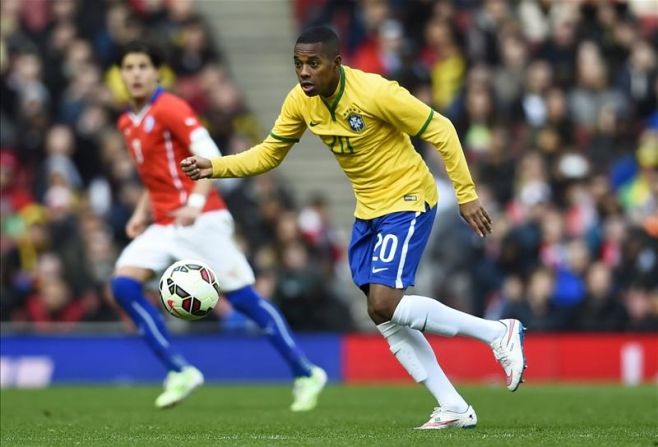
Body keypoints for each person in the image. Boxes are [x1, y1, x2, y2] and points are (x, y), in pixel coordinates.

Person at [181, 26, 527, 429]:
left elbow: (442, 129)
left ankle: (497, 332)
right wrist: (215, 166)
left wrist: (466, 194)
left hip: (408, 198)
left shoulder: (376, 92)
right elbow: (270, 154)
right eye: (298, 63)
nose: (304, 72)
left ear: (336, 63)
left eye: (313, 63)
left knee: (385, 302)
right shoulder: (300, 102)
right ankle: (452, 406)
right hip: (369, 211)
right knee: (382, 314)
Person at [110, 41, 327, 411]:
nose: (136, 74)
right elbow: (154, 176)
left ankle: (305, 372)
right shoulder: (127, 122)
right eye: (129, 67)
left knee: (243, 299)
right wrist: (140, 213)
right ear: (120, 75)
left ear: (157, 72)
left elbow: (209, 155)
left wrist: (195, 204)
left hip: (202, 219)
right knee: (122, 285)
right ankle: (179, 370)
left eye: (143, 66)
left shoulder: (171, 108)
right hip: (164, 224)